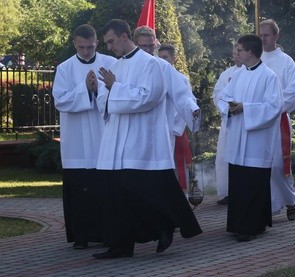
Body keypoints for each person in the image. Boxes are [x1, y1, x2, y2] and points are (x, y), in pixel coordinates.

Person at [94, 19, 201, 259]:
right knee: (118, 193)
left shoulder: (152, 65)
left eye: (111, 41)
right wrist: (110, 90)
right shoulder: (116, 66)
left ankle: (165, 228)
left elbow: (148, 97)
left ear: (124, 36)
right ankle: (121, 244)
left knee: (144, 190)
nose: (109, 47)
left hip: (142, 138)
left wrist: (116, 88)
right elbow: (103, 99)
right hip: (115, 141)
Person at [53, 24, 116, 249]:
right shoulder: (64, 68)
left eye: (90, 47)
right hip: (76, 140)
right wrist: (85, 89)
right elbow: (60, 100)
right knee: (79, 189)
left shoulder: (110, 64)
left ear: (97, 43)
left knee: (105, 188)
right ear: (74, 43)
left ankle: (107, 233)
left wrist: (98, 89)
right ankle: (80, 236)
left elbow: (118, 93)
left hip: (102, 135)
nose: (87, 51)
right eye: (82, 47)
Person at [218, 34, 283, 242]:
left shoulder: (269, 76)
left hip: (256, 141)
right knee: (239, 182)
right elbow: (224, 97)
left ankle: (251, 226)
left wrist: (245, 108)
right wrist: (230, 107)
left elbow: (274, 108)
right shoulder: (238, 74)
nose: (237, 53)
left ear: (251, 52)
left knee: (253, 183)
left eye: (240, 49)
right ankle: (238, 223)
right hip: (238, 138)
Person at [133, 27, 200, 191]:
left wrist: (192, 108)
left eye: (150, 46)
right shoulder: (128, 67)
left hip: (160, 129)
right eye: (143, 46)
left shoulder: (164, 67)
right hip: (135, 131)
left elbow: (181, 94)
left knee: (162, 175)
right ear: (135, 45)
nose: (147, 50)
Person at [259, 19, 295, 221]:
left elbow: (294, 89)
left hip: (278, 119)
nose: (263, 39)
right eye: (260, 35)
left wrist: (273, 106)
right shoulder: (255, 59)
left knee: (278, 165)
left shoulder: (286, 61)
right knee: (261, 165)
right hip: (257, 122)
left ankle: (291, 201)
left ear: (276, 36)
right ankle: (268, 207)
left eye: (266, 35)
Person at [157, 44, 196, 197]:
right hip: (159, 129)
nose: (162, 61)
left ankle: (182, 196)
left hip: (175, 129)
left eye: (165, 57)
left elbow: (187, 103)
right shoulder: (155, 77)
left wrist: (175, 127)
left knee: (178, 163)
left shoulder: (181, 79)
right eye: (160, 58)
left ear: (173, 58)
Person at [212, 44, 242, 205]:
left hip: (244, 120)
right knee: (224, 156)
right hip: (229, 120)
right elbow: (217, 94)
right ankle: (226, 191)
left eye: (238, 53)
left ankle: (241, 191)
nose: (235, 56)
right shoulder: (226, 74)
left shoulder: (251, 72)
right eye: (233, 53)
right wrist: (226, 106)